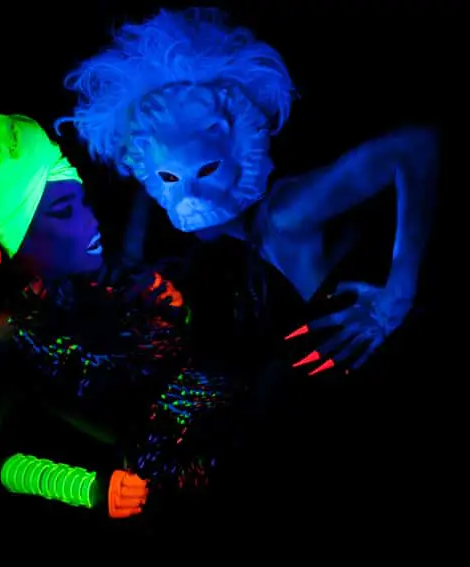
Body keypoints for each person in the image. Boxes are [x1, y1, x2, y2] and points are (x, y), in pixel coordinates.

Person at [58, 7, 438, 375]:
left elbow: (415, 146)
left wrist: (398, 294)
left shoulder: (284, 216)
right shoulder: (232, 243)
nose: (191, 196)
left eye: (206, 170)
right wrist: (130, 255)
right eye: (168, 180)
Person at [0, 109, 237, 521]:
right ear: (18, 243)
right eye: (62, 211)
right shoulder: (7, 338)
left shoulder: (119, 282)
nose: (89, 221)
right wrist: (83, 487)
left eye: (83, 202)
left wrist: (179, 313)